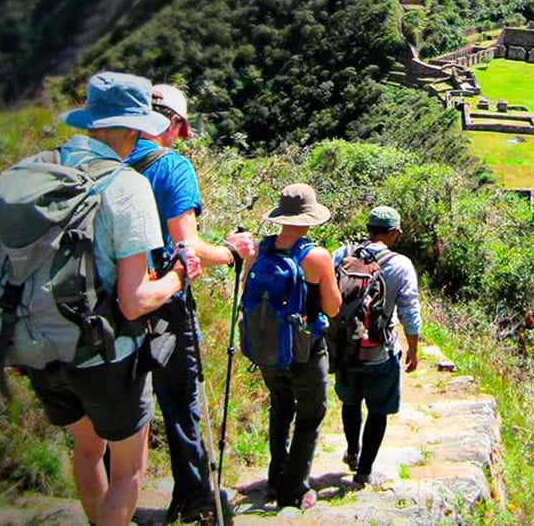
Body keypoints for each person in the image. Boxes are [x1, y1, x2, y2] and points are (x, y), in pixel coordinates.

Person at [25, 71, 203, 525]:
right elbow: (135, 299)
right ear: (135, 126)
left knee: (87, 451)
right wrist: (179, 277)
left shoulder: (40, 170)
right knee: (128, 470)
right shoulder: (127, 187)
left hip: (37, 343)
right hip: (102, 352)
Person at [123, 83, 255, 522]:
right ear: (174, 123)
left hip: (107, 304)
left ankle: (109, 504)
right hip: (161, 300)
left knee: (118, 404)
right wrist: (233, 252)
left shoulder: (106, 162)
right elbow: (189, 247)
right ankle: (194, 500)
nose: (181, 140)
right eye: (181, 130)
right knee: (179, 400)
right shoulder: (172, 167)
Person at [254, 184, 341, 509]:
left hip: (267, 347)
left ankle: (276, 479)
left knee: (280, 406)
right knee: (310, 414)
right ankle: (294, 489)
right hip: (306, 348)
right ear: (309, 219)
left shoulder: (260, 251)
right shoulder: (316, 257)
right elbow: (332, 308)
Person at [332, 206, 421, 485]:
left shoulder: (342, 255)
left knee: (350, 402)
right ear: (393, 232)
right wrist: (413, 348)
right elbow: (409, 310)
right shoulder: (400, 264)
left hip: (345, 347)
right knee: (378, 410)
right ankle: (364, 471)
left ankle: (353, 451)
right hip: (381, 352)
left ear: (369, 228)